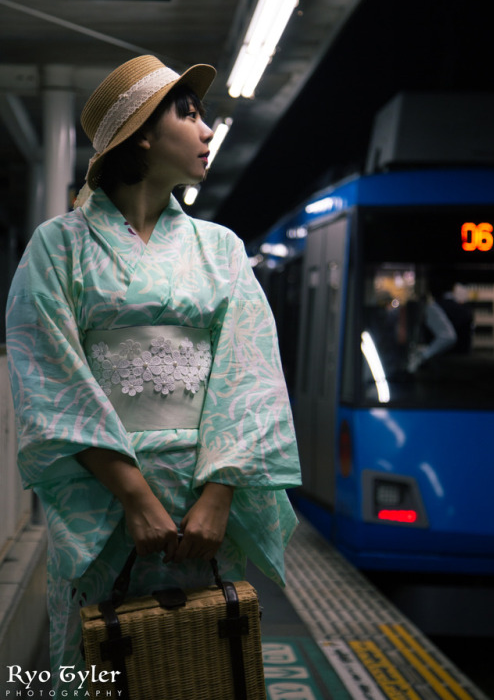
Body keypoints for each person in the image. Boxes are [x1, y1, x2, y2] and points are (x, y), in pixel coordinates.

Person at [6, 55, 301, 694]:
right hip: (107, 511)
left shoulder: (219, 247)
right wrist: (135, 499)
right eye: (188, 113)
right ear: (141, 132)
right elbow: (47, 373)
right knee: (97, 666)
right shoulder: (57, 247)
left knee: (205, 668)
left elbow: (249, 371)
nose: (205, 131)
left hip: (205, 516)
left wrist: (218, 496)